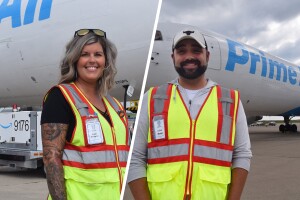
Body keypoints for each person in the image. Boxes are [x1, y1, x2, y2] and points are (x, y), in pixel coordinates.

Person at [128, 28, 252, 200]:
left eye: (196, 50)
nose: (189, 56)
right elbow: (135, 157)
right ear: (173, 57)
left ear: (207, 56)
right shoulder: (152, 98)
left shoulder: (230, 100)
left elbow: (242, 155)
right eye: (181, 51)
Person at [41, 29, 130, 200]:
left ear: (106, 61)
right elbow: (51, 159)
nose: (92, 60)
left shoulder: (115, 105)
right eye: (84, 54)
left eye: (98, 54)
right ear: (74, 60)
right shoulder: (61, 97)